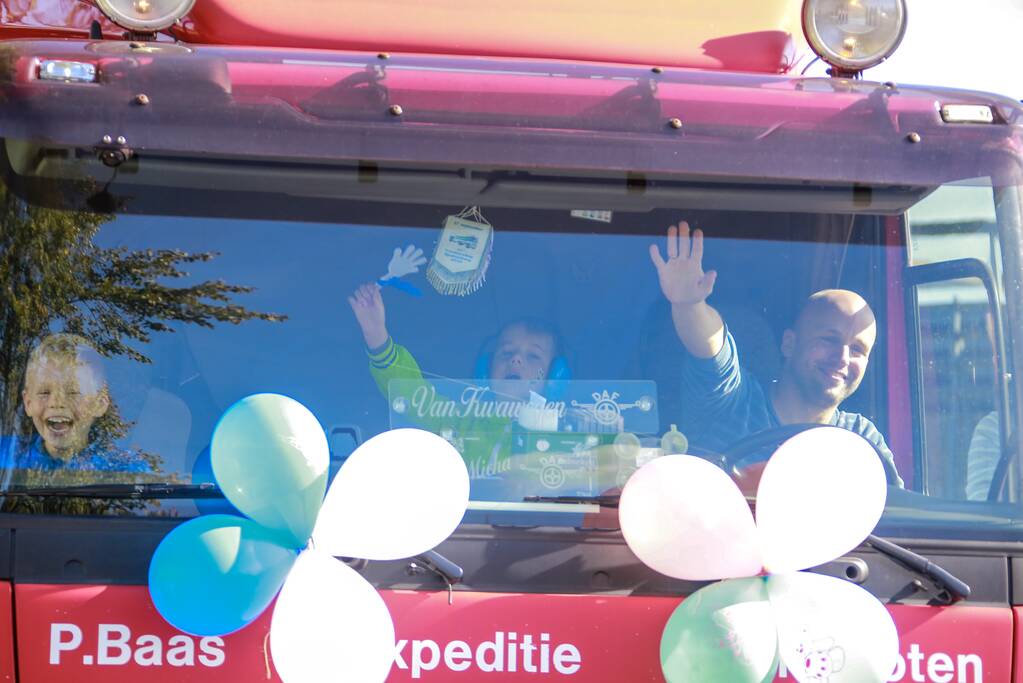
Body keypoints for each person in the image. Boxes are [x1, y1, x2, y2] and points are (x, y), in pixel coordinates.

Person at [649, 222, 903, 486]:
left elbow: (898, 520)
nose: (842, 358)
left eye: (857, 349)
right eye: (829, 340)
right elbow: (712, 349)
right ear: (789, 344)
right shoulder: (732, 403)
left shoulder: (861, 437)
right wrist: (689, 304)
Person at [348, 282, 564, 482]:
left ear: (555, 377)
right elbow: (410, 394)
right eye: (506, 352)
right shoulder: (459, 421)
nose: (515, 359)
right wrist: (377, 337)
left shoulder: (563, 437)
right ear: (485, 370)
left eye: (533, 356)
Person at [2, 334, 152, 475]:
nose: (57, 402)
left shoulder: (127, 469)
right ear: (28, 403)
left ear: (99, 403)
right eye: (44, 393)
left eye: (73, 392)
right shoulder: (5, 455)